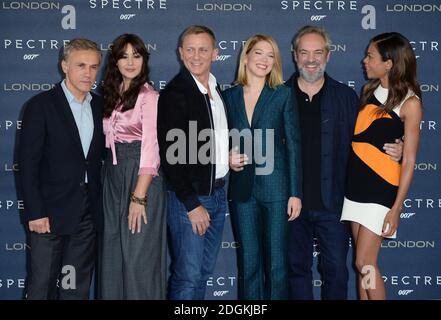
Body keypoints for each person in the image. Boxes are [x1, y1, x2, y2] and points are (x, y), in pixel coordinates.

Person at [285, 26, 403, 300]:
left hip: (335, 204)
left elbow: (371, 137)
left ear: (327, 56)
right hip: (291, 204)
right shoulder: (280, 96)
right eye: (304, 52)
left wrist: (400, 146)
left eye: (317, 52)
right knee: (296, 270)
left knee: (337, 272)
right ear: (294, 56)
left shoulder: (347, 98)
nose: (310, 59)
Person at [19, 38, 104, 299]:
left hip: (88, 214)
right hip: (49, 214)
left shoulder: (101, 106)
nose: (88, 73)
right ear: (64, 65)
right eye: (81, 65)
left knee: (75, 288)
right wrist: (35, 212)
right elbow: (27, 165)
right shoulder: (40, 106)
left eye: (93, 66)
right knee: (41, 286)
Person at [341, 32, 422, 300]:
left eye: (370, 56)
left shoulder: (410, 102)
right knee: (360, 264)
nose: (365, 60)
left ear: (388, 63)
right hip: (356, 187)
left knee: (366, 262)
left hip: (382, 190)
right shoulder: (367, 91)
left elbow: (409, 159)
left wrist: (397, 208)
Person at [223, 34, 302, 300]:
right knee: (249, 263)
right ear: (246, 56)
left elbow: (293, 145)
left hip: (277, 188)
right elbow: (218, 138)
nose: (264, 60)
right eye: (259, 53)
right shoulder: (228, 96)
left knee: (277, 264)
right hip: (242, 189)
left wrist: (295, 192)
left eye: (271, 55)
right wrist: (226, 156)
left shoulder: (282, 95)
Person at [157, 25, 229, 300]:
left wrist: (225, 159)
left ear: (215, 53)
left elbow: (210, 138)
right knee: (188, 276)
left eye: (203, 49)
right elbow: (171, 156)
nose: (196, 56)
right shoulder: (176, 94)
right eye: (190, 49)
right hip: (192, 199)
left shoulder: (214, 87)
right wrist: (191, 203)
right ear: (180, 53)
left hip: (218, 193)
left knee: (202, 274)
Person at [99, 34, 166, 299]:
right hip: (113, 178)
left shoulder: (149, 96)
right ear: (115, 61)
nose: (130, 62)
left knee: (139, 261)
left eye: (136, 56)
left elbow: (152, 147)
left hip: (141, 178)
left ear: (144, 61)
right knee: (112, 257)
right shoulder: (110, 95)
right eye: (124, 56)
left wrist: (139, 197)